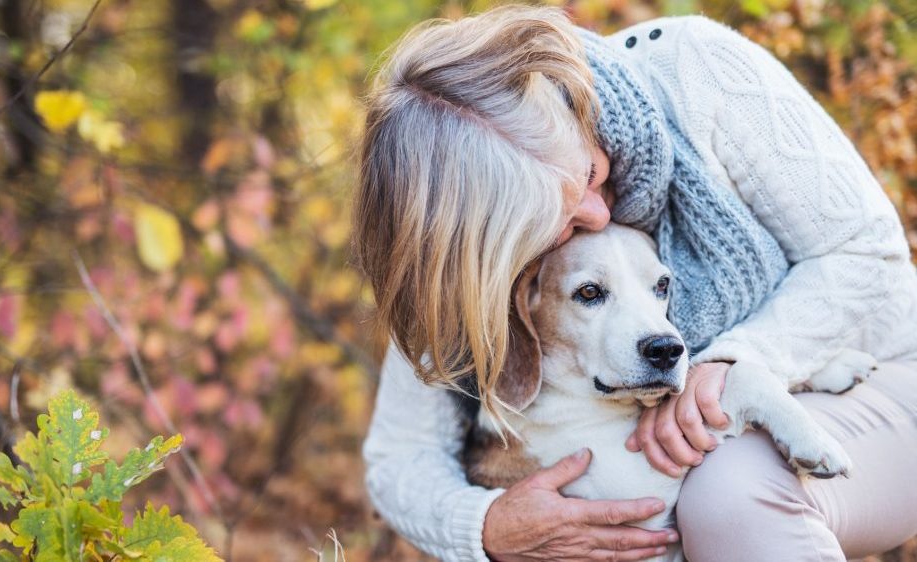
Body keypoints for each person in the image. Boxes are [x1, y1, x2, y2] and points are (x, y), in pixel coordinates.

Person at [353, 5, 917, 561]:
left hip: (886, 376)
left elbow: (867, 252)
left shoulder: (698, 69)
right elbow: (403, 455)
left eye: (591, 175)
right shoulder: (469, 262)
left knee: (727, 493)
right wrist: (484, 528)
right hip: (682, 445)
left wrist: (735, 363)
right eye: (557, 222)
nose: (597, 215)